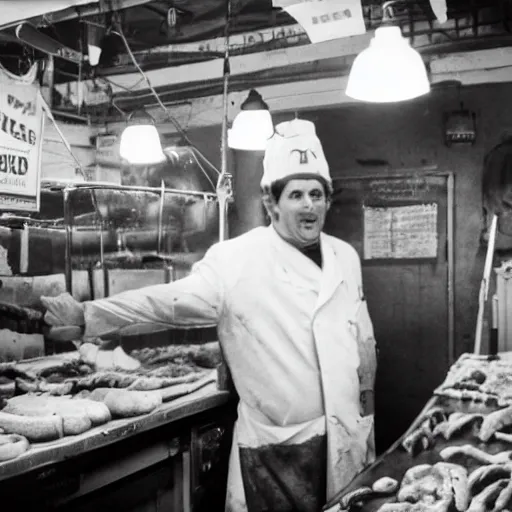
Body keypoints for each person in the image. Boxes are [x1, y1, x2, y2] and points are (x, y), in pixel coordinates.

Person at [42, 119, 377, 512]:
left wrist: (367, 412)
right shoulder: (236, 259)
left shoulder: (345, 257)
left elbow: (363, 339)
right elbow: (168, 303)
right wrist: (88, 315)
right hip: (276, 450)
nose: (309, 205)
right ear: (271, 204)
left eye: (318, 194)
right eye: (297, 194)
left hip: (347, 439)